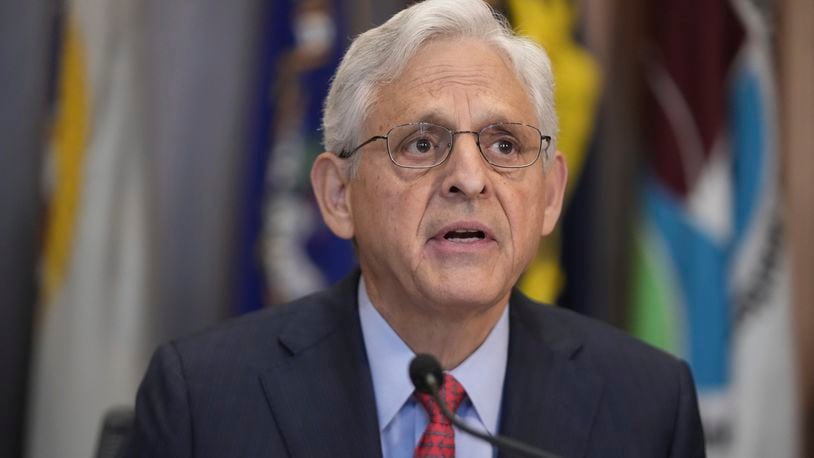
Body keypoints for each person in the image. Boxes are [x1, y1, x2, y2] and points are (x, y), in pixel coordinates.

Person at [125, 0, 705, 456]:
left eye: (505, 144)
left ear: (550, 195)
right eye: (422, 144)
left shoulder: (649, 407)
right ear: (337, 195)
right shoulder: (203, 401)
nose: (470, 179)